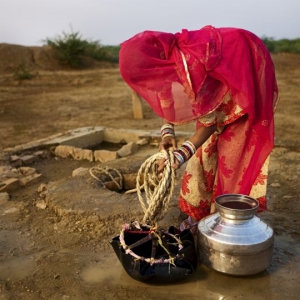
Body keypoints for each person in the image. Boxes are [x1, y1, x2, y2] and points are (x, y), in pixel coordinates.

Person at [119, 25, 279, 233]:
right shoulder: (167, 62)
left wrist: (180, 155)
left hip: (246, 68)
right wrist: (167, 132)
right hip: (219, 78)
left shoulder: (191, 64)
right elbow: (164, 95)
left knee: (233, 151)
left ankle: (224, 222)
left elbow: (210, 123)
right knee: (205, 152)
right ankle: (201, 214)